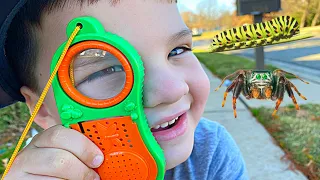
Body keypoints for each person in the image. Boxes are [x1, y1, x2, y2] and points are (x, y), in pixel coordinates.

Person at [0, 0, 249, 179]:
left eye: (178, 50)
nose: (173, 89)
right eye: (106, 70)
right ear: (42, 109)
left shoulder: (212, 152)